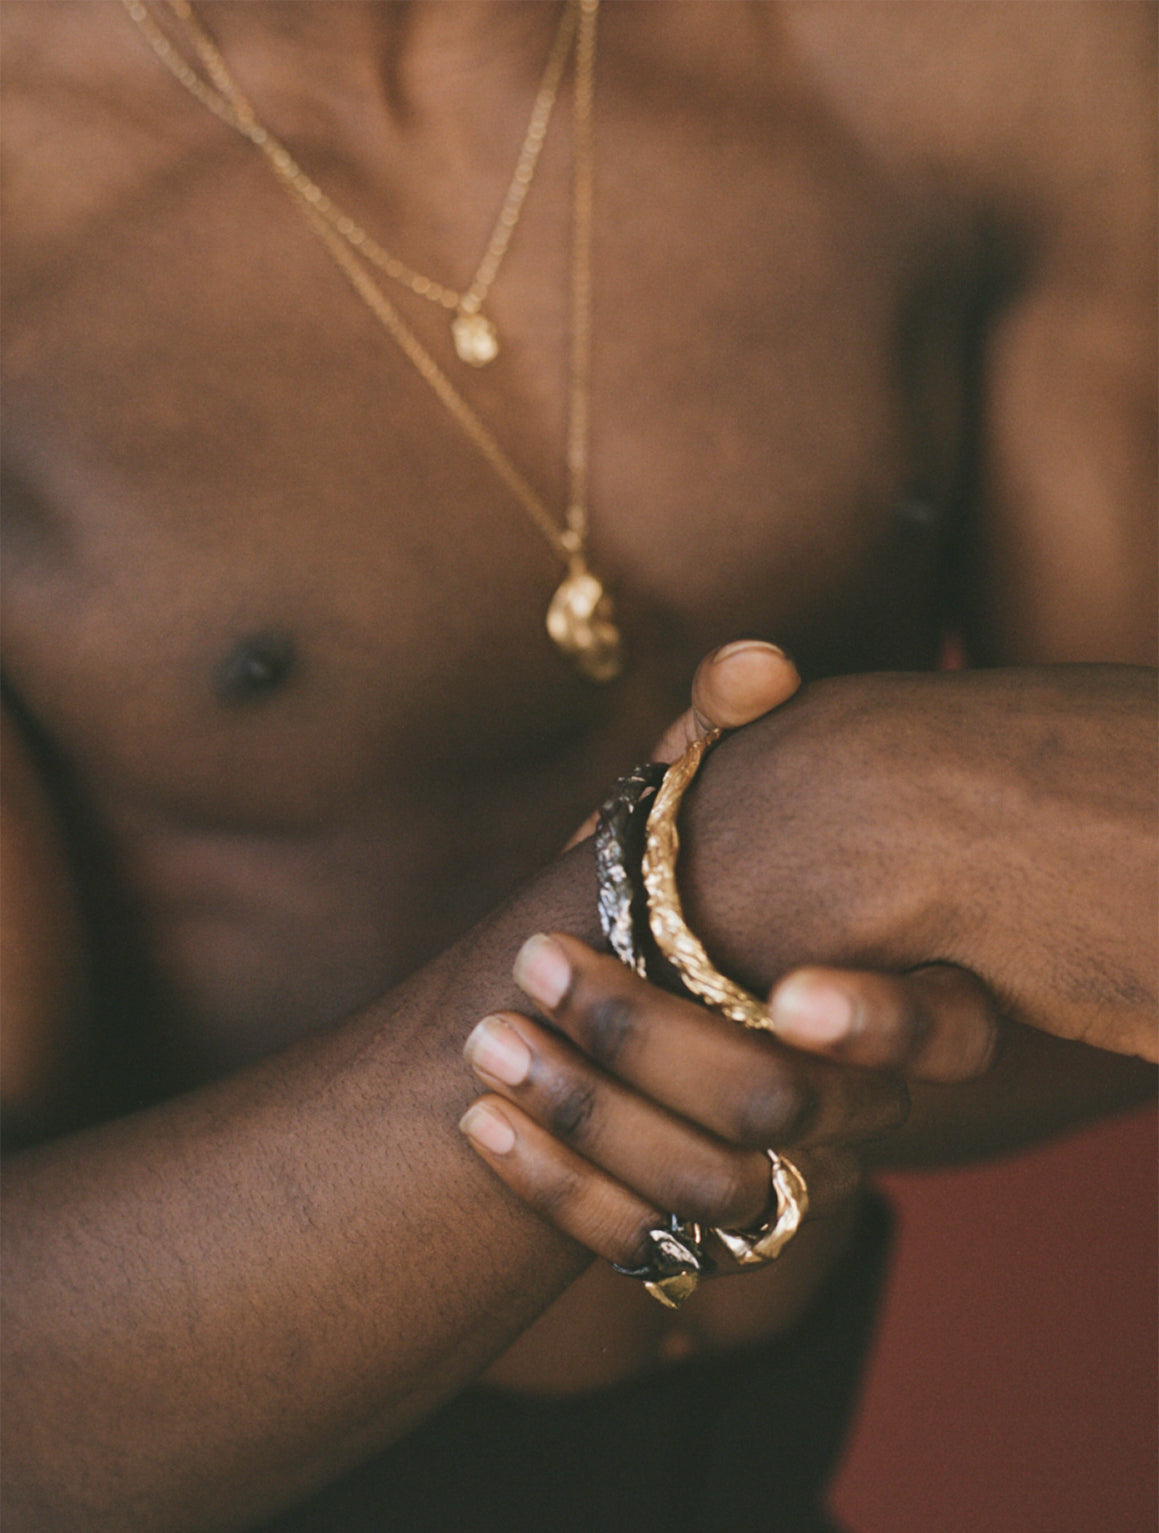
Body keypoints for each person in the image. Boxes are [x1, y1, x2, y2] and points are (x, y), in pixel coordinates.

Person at [1, 2, 1154, 1529]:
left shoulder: (981, 51)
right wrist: (789, 850)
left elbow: (1114, 903)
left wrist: (794, 950)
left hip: (761, 1454)